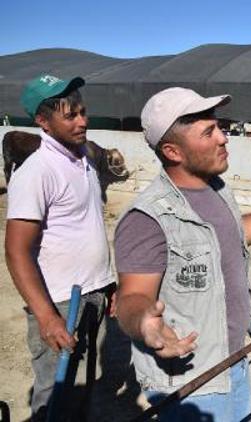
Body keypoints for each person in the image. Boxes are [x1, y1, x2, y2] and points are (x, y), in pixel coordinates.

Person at [114, 87, 251, 421]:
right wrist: (144, 323)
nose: (224, 138)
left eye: (220, 127)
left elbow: (234, 236)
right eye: (209, 132)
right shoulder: (147, 219)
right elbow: (131, 297)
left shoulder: (215, 189)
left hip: (233, 360)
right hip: (192, 382)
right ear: (173, 151)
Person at [5, 74, 116, 421]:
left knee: (84, 391)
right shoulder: (37, 171)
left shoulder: (83, 159)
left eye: (83, 112)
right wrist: (46, 316)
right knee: (56, 402)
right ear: (43, 122)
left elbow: (86, 226)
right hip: (60, 302)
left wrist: (106, 283)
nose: (83, 121)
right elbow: (16, 251)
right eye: (70, 116)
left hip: (93, 294)